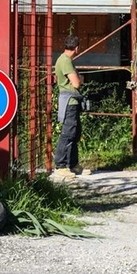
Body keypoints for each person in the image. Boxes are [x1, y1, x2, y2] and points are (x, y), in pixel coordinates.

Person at [52, 35, 92, 178]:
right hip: (69, 102)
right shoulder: (66, 61)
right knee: (68, 133)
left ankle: (73, 164)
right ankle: (60, 165)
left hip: (72, 101)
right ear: (76, 48)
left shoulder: (63, 60)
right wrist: (79, 78)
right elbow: (76, 83)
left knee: (75, 133)